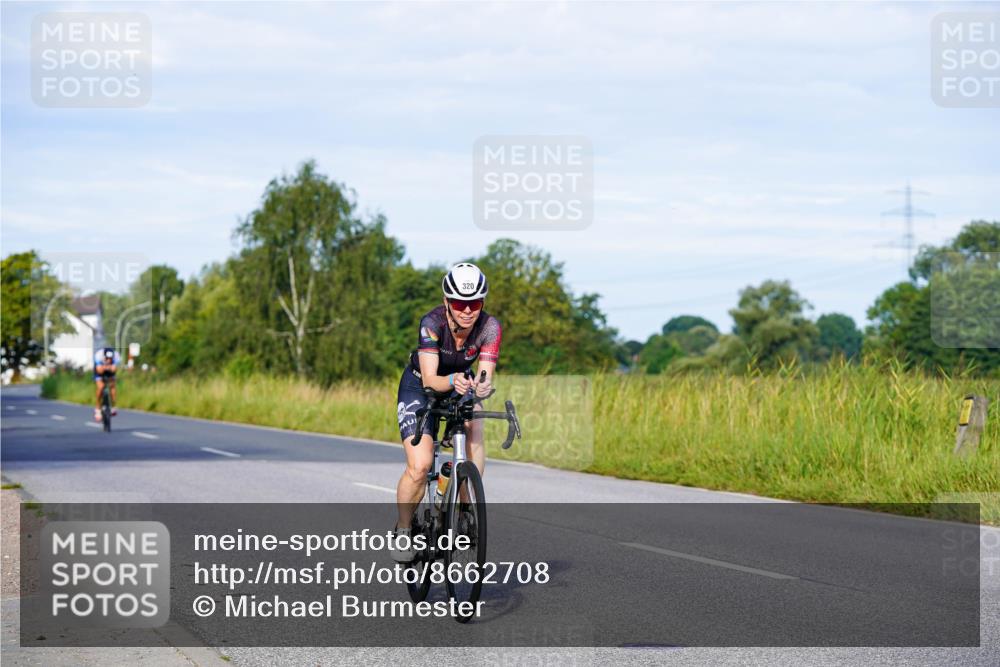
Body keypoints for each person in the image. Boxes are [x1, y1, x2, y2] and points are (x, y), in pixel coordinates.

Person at [391, 263, 501, 562]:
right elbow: (431, 380)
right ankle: (403, 529)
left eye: (474, 303)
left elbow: (485, 375)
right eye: (459, 303)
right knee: (420, 465)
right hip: (420, 386)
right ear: (446, 302)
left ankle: (465, 506)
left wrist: (482, 387)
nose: (467, 310)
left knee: (475, 423)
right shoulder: (432, 323)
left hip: (459, 383)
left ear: (482, 302)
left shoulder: (490, 327)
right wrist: (453, 380)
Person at [93, 346, 120, 421]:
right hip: (99, 370)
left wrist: (107, 367)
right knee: (101, 387)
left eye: (110, 359)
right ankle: (97, 408)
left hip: (108, 370)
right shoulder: (98, 355)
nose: (108, 360)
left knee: (112, 385)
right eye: (107, 358)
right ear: (104, 356)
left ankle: (113, 406)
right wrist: (107, 367)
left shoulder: (116, 356)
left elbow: (114, 370)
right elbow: (99, 371)